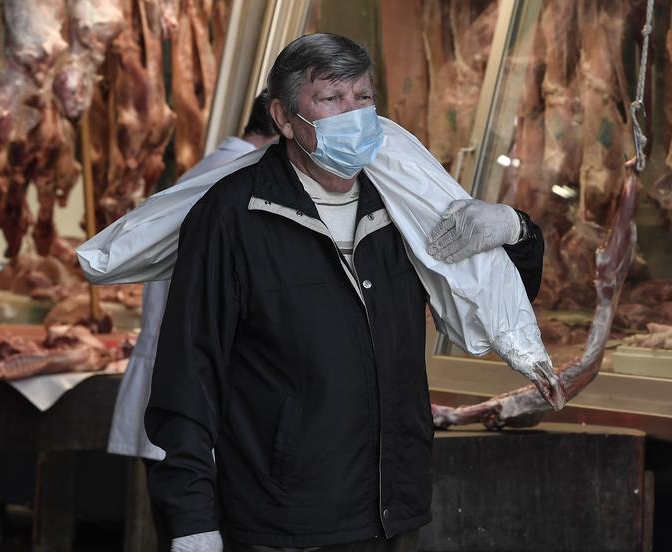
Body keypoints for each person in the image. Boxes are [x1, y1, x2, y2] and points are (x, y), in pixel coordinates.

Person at [145, 33, 546, 552]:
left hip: (392, 511)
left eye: (363, 98)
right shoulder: (232, 217)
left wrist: (517, 230)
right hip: (284, 522)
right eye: (331, 99)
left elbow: (499, 298)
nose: (353, 115)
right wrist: (191, 519)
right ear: (285, 118)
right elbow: (189, 372)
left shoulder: (403, 202)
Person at [108, 93, 279, 461]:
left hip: (182, 389)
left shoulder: (209, 172)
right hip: (196, 399)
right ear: (284, 122)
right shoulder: (237, 183)